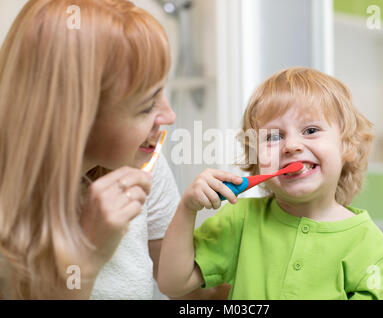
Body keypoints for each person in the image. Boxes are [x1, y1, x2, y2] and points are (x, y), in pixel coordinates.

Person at [0, 0, 228, 300]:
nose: (169, 116)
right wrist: (88, 254)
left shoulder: (142, 162)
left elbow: (190, 292)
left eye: (163, 91)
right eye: (147, 105)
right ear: (76, 118)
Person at [158, 66, 383, 299]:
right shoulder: (240, 220)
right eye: (274, 136)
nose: (291, 146)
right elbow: (173, 284)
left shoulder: (375, 251)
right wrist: (186, 209)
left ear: (347, 145)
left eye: (310, 130)